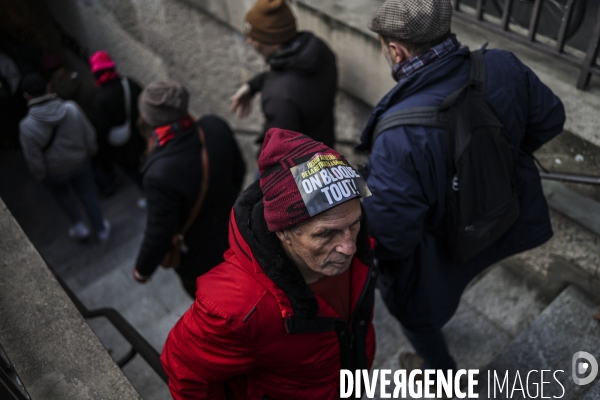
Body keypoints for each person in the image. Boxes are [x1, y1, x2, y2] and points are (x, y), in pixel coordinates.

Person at [358, 0, 565, 376]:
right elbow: (551, 118)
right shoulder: (503, 65)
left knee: (414, 314)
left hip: (440, 255)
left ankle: (442, 372)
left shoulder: (398, 135)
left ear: (396, 50)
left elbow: (393, 236)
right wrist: (494, 163)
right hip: (503, 219)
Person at [161, 128, 376, 399]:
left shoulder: (357, 238)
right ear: (282, 231)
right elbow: (186, 377)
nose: (349, 247)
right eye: (325, 234)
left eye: (354, 224)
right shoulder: (234, 309)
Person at [132, 80, 246, 298]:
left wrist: (142, 270)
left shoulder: (158, 173)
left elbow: (160, 232)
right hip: (242, 229)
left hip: (205, 260)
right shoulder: (214, 126)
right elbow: (239, 171)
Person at [230, 0, 338, 148]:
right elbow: (291, 78)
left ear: (273, 41)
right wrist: (253, 85)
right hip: (324, 148)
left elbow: (278, 151)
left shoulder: (279, 97)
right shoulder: (320, 51)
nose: (249, 41)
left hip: (301, 168)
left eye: (255, 38)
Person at [19, 73, 110, 241]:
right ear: (48, 87)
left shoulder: (26, 126)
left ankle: (79, 226)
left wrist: (41, 175)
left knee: (64, 198)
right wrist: (91, 152)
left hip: (55, 171)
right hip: (80, 161)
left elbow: (33, 158)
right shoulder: (71, 108)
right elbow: (89, 134)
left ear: (26, 96)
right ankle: (101, 229)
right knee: (88, 195)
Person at [89, 50, 146, 195]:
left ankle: (150, 198)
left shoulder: (100, 100)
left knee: (137, 175)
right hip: (144, 137)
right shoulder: (130, 84)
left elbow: (101, 132)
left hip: (124, 150)